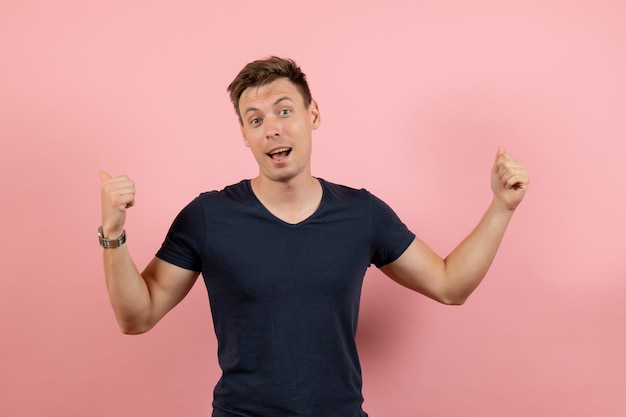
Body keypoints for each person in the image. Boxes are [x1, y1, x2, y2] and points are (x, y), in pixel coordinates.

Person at [98, 56, 529, 417]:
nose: (273, 128)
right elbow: (137, 316)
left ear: (313, 115)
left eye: (285, 111)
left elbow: (450, 285)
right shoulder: (208, 216)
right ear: (245, 135)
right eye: (256, 119)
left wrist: (501, 208)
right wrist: (113, 235)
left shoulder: (361, 214)